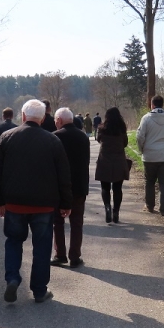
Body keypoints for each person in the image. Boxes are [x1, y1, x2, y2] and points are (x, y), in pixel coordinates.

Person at [0, 99, 72, 303]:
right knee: (42, 247)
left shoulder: (7, 137)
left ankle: (12, 278)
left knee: (13, 241)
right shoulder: (53, 141)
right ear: (43, 118)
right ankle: (39, 290)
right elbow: (63, 175)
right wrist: (66, 203)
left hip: (14, 203)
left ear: (23, 116)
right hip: (44, 205)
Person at [52, 107, 90, 267]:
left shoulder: (54, 137)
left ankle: (60, 254)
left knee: (58, 222)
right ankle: (75, 256)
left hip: (58, 186)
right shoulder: (83, 137)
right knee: (76, 222)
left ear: (59, 120)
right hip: (79, 185)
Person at [137, 94, 164, 216]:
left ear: (152, 105)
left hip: (150, 155)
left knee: (149, 181)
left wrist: (141, 149)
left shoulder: (146, 118)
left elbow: (140, 136)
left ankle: (150, 206)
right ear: (162, 104)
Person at [95, 107, 130, 224]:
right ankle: (116, 212)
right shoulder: (122, 129)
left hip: (104, 160)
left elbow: (98, 139)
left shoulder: (102, 129)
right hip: (119, 160)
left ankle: (107, 207)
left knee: (105, 187)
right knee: (117, 188)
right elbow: (125, 143)